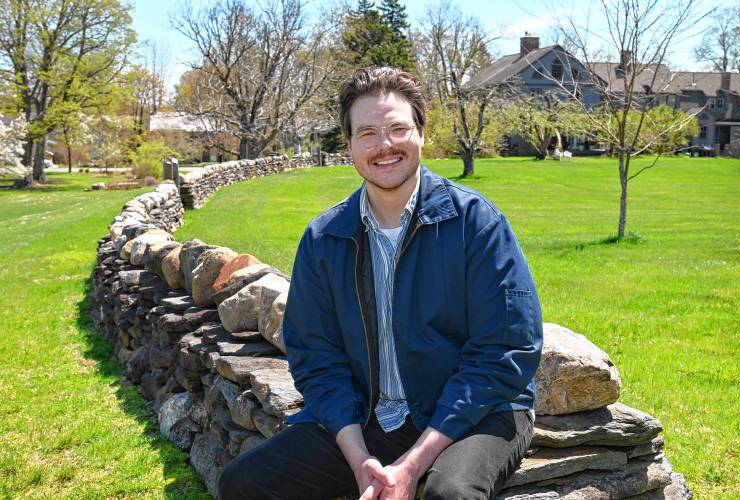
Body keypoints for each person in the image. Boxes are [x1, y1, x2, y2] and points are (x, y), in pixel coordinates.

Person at [218, 67, 543, 500]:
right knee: (243, 482)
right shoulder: (324, 239)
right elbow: (317, 358)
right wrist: (359, 459)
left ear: (421, 133)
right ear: (349, 144)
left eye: (397, 128)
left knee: (449, 494)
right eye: (367, 132)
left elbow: (504, 352)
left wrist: (414, 464)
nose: (384, 145)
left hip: (480, 413)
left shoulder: (477, 225)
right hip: (374, 418)